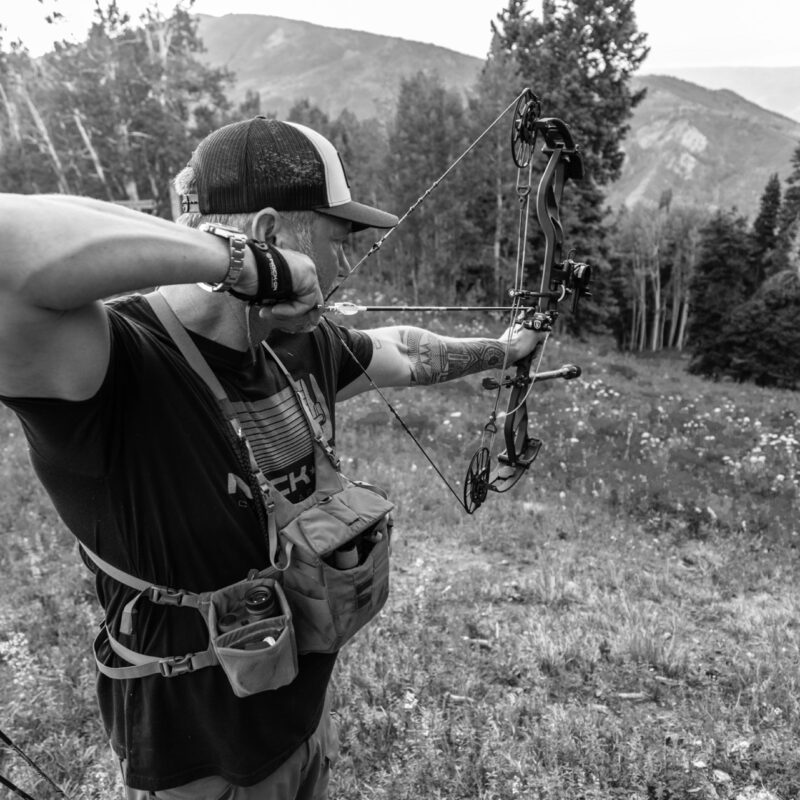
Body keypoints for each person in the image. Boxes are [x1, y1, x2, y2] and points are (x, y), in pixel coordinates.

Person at [0, 116, 539, 799]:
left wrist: (502, 351)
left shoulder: (291, 345)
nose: (347, 263)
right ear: (268, 233)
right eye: (339, 238)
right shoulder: (113, 364)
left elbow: (402, 350)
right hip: (195, 763)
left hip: (298, 721)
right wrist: (239, 266)